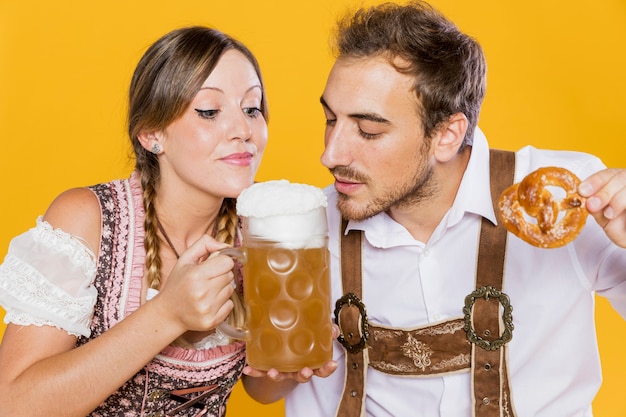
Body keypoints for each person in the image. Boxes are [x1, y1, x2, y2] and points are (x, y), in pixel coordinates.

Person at [242, 1, 626, 416]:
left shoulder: (558, 197)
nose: (330, 154)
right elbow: (263, 390)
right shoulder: (305, 226)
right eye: (331, 119)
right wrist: (277, 360)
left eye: (368, 130)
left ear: (447, 134)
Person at [0, 26, 269, 416]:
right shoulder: (89, 219)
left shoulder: (258, 230)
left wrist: (292, 358)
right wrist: (167, 313)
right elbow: (14, 406)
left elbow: (261, 389)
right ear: (151, 133)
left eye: (252, 108)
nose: (244, 131)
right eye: (210, 111)